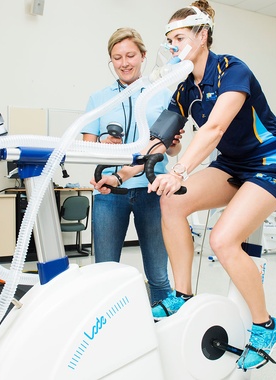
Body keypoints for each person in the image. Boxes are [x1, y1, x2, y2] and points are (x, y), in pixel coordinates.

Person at [147, 0, 276, 371]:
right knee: (172, 202)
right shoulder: (184, 88)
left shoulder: (233, 70)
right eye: (169, 40)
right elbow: (164, 135)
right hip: (232, 166)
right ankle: (181, 295)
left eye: (179, 38)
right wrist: (138, 162)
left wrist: (179, 170)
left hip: (271, 163)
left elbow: (214, 129)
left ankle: (266, 325)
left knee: (222, 240)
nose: (173, 47)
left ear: (202, 36)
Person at [82, 27, 182, 305]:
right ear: (111, 61)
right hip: (109, 194)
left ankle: (163, 323)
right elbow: (88, 147)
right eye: (117, 57)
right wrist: (105, 142)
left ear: (143, 56)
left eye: (130, 55)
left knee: (158, 275)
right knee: (104, 272)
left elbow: (173, 149)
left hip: (151, 190)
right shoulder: (99, 99)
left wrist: (172, 141)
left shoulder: (161, 95)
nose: (124, 63)